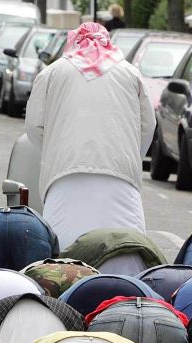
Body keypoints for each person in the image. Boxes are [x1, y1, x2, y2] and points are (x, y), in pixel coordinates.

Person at [25, 23, 155, 249]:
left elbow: (34, 126)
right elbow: (148, 126)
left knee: (63, 252)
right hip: (121, 178)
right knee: (126, 249)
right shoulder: (131, 74)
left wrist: (55, 150)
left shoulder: (52, 73)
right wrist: (131, 156)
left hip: (63, 176)